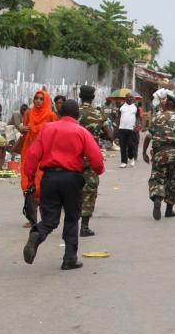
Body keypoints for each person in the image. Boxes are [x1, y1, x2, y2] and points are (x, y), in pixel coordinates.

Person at [22, 101, 105, 270]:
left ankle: (37, 235)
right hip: (72, 178)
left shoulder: (47, 129)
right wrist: (98, 170)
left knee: (50, 218)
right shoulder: (81, 131)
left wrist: (31, 178)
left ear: (59, 113)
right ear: (78, 116)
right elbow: (96, 158)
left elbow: (32, 154)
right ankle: (69, 259)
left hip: (50, 178)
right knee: (72, 218)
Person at [142, 96, 175, 221]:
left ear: (166, 105)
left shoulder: (156, 119)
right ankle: (169, 210)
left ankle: (157, 198)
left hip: (159, 154)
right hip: (174, 155)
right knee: (172, 181)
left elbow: (148, 137)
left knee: (157, 178)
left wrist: (144, 152)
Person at [76, 86, 114, 237]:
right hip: (90, 157)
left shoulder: (73, 112)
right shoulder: (98, 114)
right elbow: (110, 136)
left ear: (80, 96)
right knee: (90, 190)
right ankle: (84, 226)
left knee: (72, 189)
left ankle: (70, 223)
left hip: (72, 157)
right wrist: (97, 135)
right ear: (93, 98)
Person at [19, 90, 57, 226]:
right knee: (26, 185)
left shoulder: (51, 116)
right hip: (28, 152)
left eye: (41, 99)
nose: (38, 101)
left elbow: (56, 134)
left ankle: (45, 217)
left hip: (44, 155)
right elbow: (23, 129)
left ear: (46, 101)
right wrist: (21, 128)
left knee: (40, 186)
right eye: (36, 98)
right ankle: (31, 218)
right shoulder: (28, 113)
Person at [117, 98, 140, 168]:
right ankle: (123, 162)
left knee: (130, 145)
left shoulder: (135, 106)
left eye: (130, 98)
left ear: (132, 99)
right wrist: (117, 125)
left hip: (131, 129)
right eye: (127, 98)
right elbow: (119, 116)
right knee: (122, 146)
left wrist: (137, 124)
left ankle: (131, 157)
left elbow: (138, 116)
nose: (129, 99)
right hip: (122, 128)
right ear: (125, 99)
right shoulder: (121, 106)